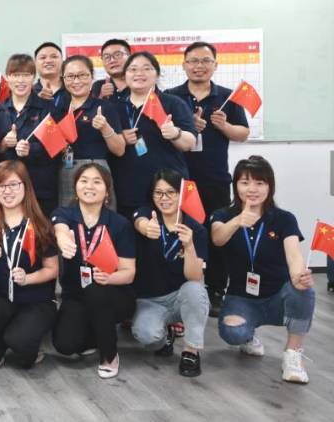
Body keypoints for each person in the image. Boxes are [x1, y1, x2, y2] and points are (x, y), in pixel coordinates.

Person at [165, 41, 251, 315]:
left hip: (215, 179)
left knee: (216, 236)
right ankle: (177, 287)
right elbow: (161, 132)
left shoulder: (227, 97)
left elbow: (243, 133)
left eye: (205, 61)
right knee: (179, 233)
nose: (199, 66)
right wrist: (187, 125)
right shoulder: (171, 96)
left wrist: (224, 126)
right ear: (184, 65)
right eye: (193, 61)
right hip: (179, 179)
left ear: (215, 64)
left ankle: (215, 290)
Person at [212, 156, 314, 384]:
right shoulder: (223, 215)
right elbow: (217, 238)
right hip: (241, 297)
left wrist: (298, 275)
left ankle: (293, 354)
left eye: (260, 183)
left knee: (304, 289)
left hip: (278, 296)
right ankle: (248, 335)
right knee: (233, 334)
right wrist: (238, 221)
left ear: (270, 186)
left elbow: (293, 254)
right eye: (245, 182)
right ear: (236, 186)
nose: (252, 189)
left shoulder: (284, 219)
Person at [52, 163, 136, 379]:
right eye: (84, 181)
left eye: (97, 182)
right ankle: (95, 333)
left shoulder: (120, 224)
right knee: (65, 344)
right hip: (76, 296)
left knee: (96, 291)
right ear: (75, 187)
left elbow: (129, 273)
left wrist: (110, 278)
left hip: (113, 294)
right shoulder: (65, 214)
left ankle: (109, 354)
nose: (89, 186)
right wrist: (63, 238)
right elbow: (59, 227)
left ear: (107, 191)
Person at [0, 161, 59, 369]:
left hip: (36, 301)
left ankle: (21, 342)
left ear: (26, 186)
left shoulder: (41, 224)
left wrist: (28, 278)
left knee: (22, 349)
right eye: (1, 186)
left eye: (13, 184)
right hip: (3, 298)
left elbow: (52, 269)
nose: (7, 191)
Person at [130, 169, 209, 377]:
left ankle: (191, 351)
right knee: (147, 336)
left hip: (180, 297)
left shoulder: (195, 228)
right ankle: (166, 336)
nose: (164, 198)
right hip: (150, 300)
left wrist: (189, 246)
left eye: (171, 192)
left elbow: (194, 277)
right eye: (158, 193)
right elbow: (138, 220)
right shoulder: (147, 214)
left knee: (195, 290)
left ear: (181, 194)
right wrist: (146, 227)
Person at [109, 52, 196, 219]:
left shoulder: (173, 103)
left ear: (157, 75)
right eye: (133, 69)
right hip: (127, 189)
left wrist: (175, 133)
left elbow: (189, 143)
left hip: (167, 189)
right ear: (125, 75)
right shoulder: (114, 107)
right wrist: (120, 138)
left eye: (146, 69)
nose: (139, 73)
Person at [0, 54, 58, 217]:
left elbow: (55, 148)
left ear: (33, 77)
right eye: (16, 75)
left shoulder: (47, 108)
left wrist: (31, 149)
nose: (20, 80)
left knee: (42, 229)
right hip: (7, 187)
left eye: (26, 75)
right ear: (8, 77)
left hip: (40, 185)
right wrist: (4, 144)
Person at [58, 55, 126, 208]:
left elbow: (120, 150)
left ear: (92, 76)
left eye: (82, 75)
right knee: (67, 217)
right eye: (70, 76)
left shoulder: (105, 107)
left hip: (96, 170)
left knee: (101, 217)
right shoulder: (58, 109)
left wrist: (105, 127)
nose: (76, 81)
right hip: (66, 170)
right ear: (63, 79)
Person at [33, 42, 68, 111]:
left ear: (62, 61)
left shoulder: (72, 88)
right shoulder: (29, 93)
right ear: (35, 63)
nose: (48, 61)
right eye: (43, 58)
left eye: (54, 57)